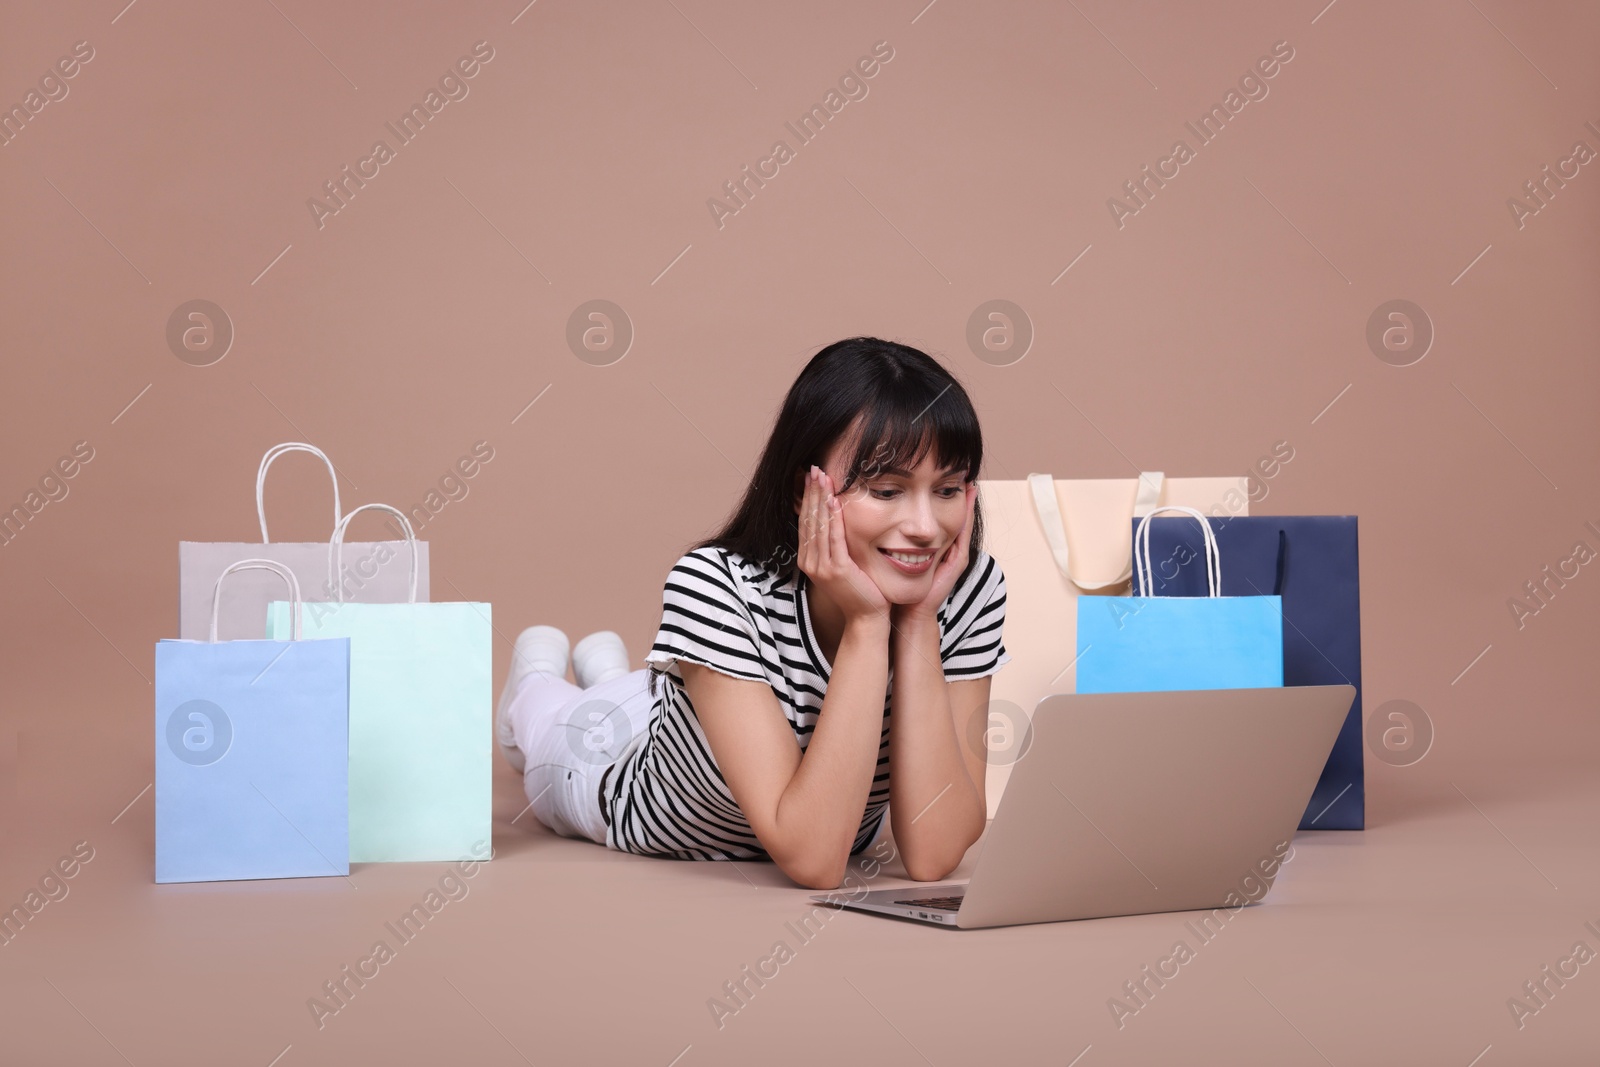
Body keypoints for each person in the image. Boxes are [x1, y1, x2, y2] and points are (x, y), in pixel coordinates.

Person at [497, 336, 1010, 889]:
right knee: (551, 715)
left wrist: (917, 626)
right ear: (803, 493)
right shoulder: (715, 585)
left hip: (704, 707)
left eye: (948, 489)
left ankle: (609, 671)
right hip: (602, 765)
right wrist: (866, 625)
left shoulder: (963, 590)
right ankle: (536, 676)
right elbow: (815, 859)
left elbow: (934, 854)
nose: (926, 527)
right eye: (887, 491)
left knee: (646, 691)